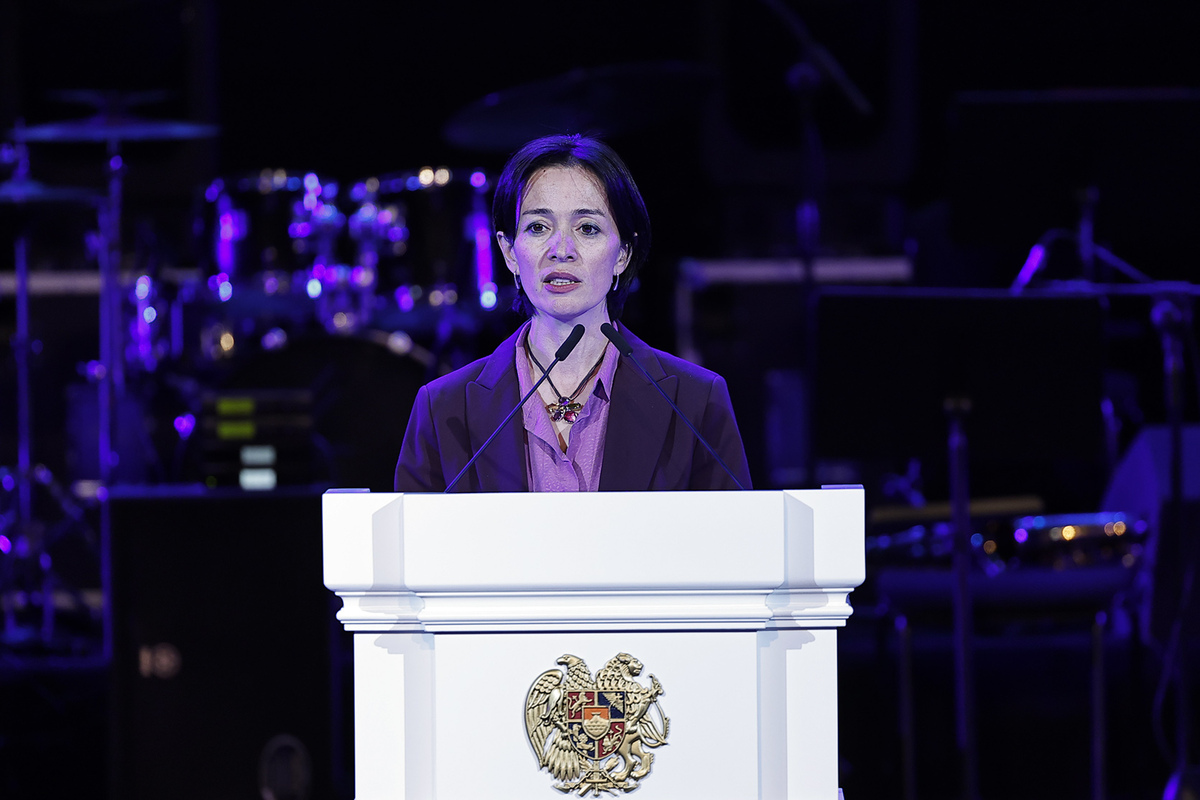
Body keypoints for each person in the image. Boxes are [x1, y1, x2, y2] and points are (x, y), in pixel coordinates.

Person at [393, 134, 751, 492]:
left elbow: (736, 526)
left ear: (623, 254)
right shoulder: (443, 409)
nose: (561, 249)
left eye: (587, 229)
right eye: (538, 227)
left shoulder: (695, 401)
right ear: (509, 252)